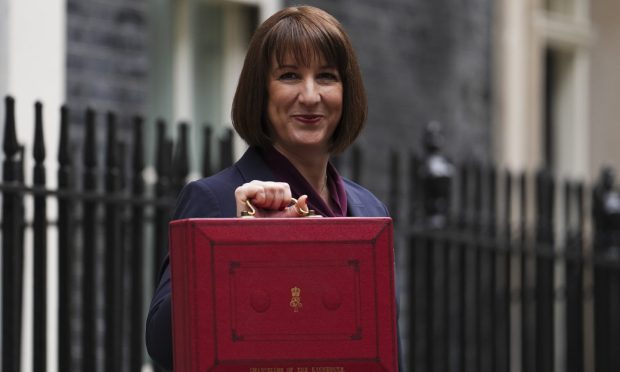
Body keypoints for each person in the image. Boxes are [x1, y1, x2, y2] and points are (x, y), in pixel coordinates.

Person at [145, 6, 392, 370]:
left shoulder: (370, 210)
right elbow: (164, 346)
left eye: (326, 76)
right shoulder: (215, 199)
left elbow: (385, 350)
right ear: (261, 93)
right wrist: (243, 242)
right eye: (289, 75)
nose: (310, 96)